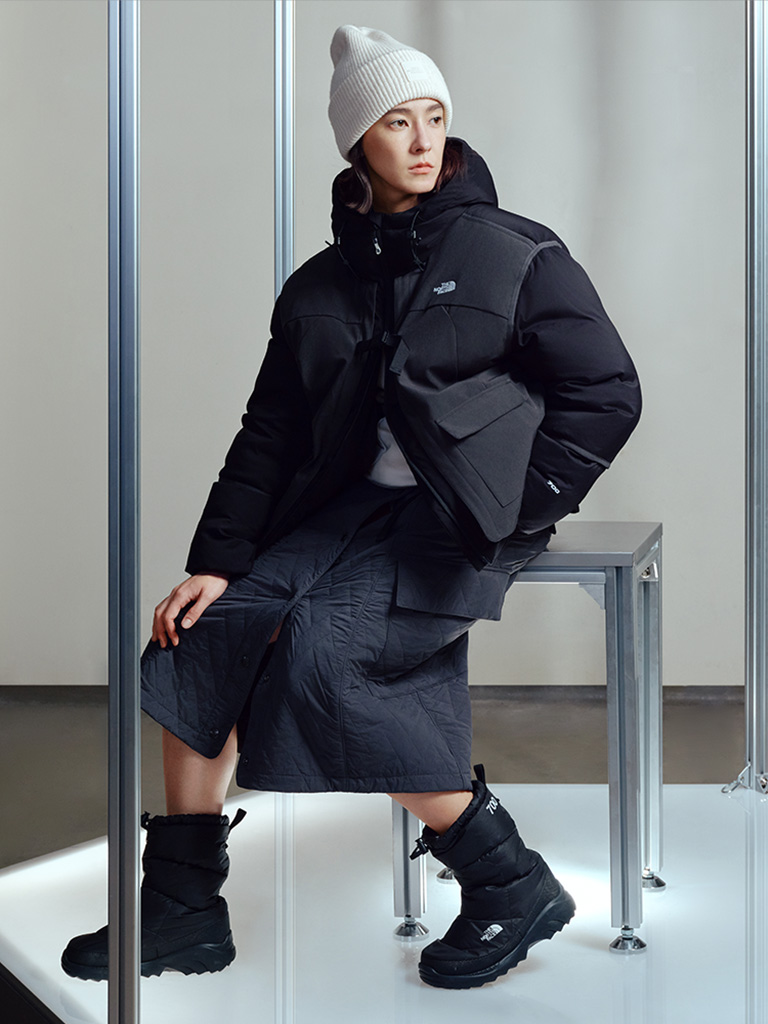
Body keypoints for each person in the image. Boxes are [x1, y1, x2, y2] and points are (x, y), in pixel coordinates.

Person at [62, 25, 641, 990]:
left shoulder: (515, 253)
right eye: (396, 121)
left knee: (326, 656)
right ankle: (182, 910)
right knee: (199, 638)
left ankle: (509, 881)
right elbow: (270, 433)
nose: (423, 140)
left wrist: (520, 503)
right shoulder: (318, 287)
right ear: (355, 142)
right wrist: (218, 560)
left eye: (434, 117)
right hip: (349, 514)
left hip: (460, 517)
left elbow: (606, 391)